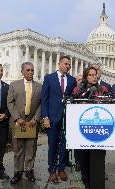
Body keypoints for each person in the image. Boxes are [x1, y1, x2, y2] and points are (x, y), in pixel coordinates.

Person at [41, 55, 77, 183]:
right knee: (52, 145)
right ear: (59, 64)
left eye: (69, 64)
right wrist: (45, 117)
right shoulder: (49, 78)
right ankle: (52, 170)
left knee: (64, 146)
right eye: (65, 64)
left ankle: (61, 169)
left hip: (67, 118)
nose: (67, 66)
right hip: (52, 118)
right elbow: (44, 99)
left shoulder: (72, 80)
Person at [72, 66, 109, 189]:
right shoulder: (78, 90)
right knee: (83, 158)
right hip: (82, 130)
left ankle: (97, 182)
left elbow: (111, 105)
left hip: (99, 131)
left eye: (95, 75)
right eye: (91, 75)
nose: (94, 77)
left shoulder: (103, 89)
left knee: (97, 158)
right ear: (85, 77)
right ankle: (86, 182)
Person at [7, 62, 42, 184]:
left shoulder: (39, 86)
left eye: (32, 70)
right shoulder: (14, 85)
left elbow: (42, 104)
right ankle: (18, 172)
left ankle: (29, 170)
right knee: (18, 149)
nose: (30, 72)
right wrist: (17, 118)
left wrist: (36, 119)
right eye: (28, 70)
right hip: (18, 122)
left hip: (32, 122)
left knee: (31, 149)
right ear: (22, 72)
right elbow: (10, 103)